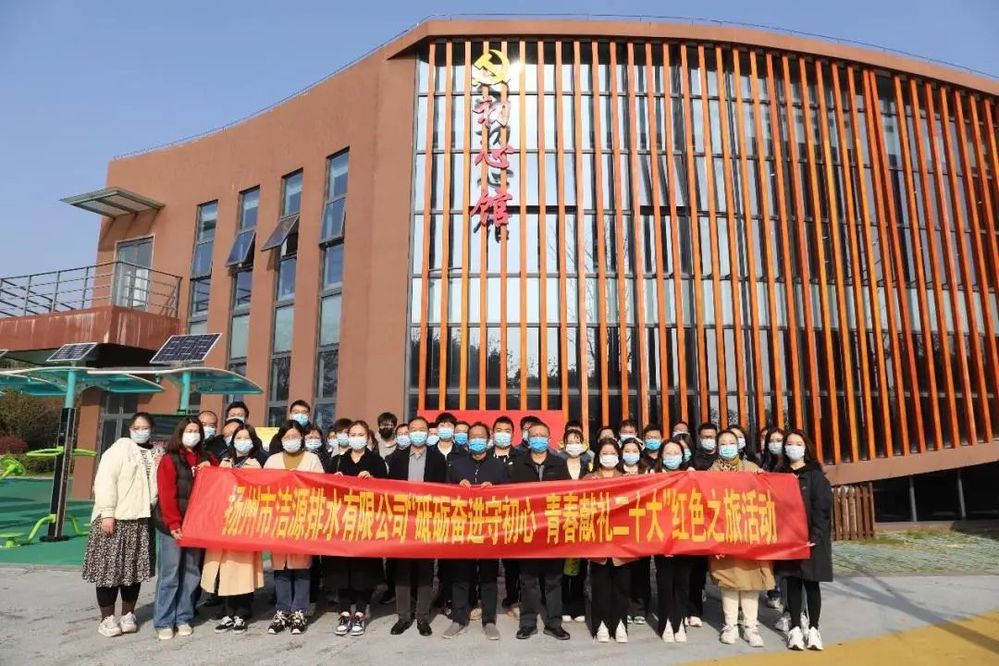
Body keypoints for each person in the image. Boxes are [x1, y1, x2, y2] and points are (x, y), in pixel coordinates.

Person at [83, 413, 158, 638]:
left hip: (140, 520)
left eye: (145, 427)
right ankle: (107, 618)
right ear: (130, 429)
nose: (141, 431)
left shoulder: (154, 453)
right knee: (109, 571)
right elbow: (105, 481)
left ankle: (128, 614)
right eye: (137, 427)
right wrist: (108, 513)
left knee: (133, 571)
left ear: (152, 429)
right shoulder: (118, 450)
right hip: (116, 519)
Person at [443, 421, 509, 640]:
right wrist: (457, 488)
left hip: (489, 530)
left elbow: (509, 497)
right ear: (467, 441)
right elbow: (444, 495)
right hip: (463, 529)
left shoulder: (499, 467)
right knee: (461, 576)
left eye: (481, 436)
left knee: (488, 577)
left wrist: (494, 491)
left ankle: (489, 621)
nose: (477, 440)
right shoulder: (456, 465)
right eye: (473, 437)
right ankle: (458, 619)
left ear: (488, 440)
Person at [709, 429, 773, 648]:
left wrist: (763, 479)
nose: (727, 447)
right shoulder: (711, 472)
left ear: (738, 446)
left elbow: (767, 496)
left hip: (749, 533)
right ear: (717, 447)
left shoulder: (751, 468)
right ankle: (730, 625)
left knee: (750, 583)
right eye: (723, 443)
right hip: (724, 534)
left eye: (731, 443)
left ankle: (751, 626)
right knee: (728, 582)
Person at [153, 417, 215, 640]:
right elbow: (166, 494)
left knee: (191, 573)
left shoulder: (207, 458)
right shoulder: (170, 459)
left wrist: (212, 468)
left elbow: (221, 481)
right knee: (170, 574)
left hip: (197, 525)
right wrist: (173, 523)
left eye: (196, 431)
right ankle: (164, 620)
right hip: (174, 525)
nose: (193, 434)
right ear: (180, 434)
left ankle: (184, 617)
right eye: (189, 430)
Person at [201, 424, 265, 634]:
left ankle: (242, 613)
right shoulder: (225, 462)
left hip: (246, 522)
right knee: (226, 568)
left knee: (242, 569)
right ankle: (228, 612)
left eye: (247, 438)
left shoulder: (256, 465)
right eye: (239, 438)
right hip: (225, 522)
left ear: (253, 442)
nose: (242, 442)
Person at [510, 421, 571, 640]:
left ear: (549, 438)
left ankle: (554, 623)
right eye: (533, 435)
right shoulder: (518, 464)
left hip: (553, 530)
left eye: (541, 435)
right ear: (527, 438)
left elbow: (569, 494)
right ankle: (528, 622)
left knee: (554, 579)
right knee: (528, 580)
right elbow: (509, 495)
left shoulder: (559, 463)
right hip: (528, 531)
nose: (537, 438)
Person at [263, 421, 325, 635]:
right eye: (287, 437)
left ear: (302, 438)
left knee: (301, 568)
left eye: (295, 436)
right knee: (280, 568)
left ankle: (299, 611)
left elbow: (320, 488)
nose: (291, 440)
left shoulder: (312, 459)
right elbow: (263, 488)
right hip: (278, 520)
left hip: (303, 520)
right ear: (281, 440)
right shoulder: (272, 460)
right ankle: (282, 611)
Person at [387, 416, 447, 637]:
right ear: (407, 432)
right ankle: (403, 616)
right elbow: (389, 489)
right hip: (403, 521)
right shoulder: (398, 458)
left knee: (425, 570)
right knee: (402, 570)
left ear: (428, 432)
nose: (418, 433)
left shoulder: (437, 458)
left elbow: (443, 489)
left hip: (427, 521)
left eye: (422, 429)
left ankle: (422, 616)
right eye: (414, 429)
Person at [331, 420, 388, 637]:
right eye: (352, 434)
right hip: (341, 523)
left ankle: (361, 611)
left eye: (360, 434)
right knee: (341, 568)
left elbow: (386, 492)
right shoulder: (337, 461)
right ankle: (345, 611)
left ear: (368, 437)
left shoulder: (376, 461)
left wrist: (373, 480)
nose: (356, 438)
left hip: (366, 523)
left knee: (363, 569)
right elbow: (324, 491)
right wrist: (333, 481)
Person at [778, 429, 832, 652]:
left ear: (806, 448)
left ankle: (814, 628)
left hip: (811, 539)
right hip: (788, 538)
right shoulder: (779, 474)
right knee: (792, 581)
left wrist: (815, 535)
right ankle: (795, 627)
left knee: (812, 583)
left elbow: (822, 508)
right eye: (789, 443)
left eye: (798, 443)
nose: (793, 447)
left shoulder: (815, 476)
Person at [585, 438, 633, 643]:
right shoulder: (589, 478)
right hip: (598, 541)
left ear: (618, 456)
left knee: (622, 585)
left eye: (612, 453)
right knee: (600, 586)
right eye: (605, 453)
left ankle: (620, 624)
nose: (609, 457)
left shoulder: (626, 479)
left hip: (622, 541)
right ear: (598, 456)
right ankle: (601, 624)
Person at [655, 438, 692, 643]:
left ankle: (680, 622)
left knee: (682, 582)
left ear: (683, 456)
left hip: (686, 537)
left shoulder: (690, 475)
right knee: (665, 581)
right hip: (662, 537)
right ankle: (666, 622)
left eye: (675, 453)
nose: (671, 457)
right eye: (667, 453)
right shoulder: (653, 476)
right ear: (661, 456)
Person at [686, 422, 718, 628]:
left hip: (721, 518)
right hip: (698, 518)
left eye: (711, 436)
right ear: (699, 438)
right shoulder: (692, 459)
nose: (708, 440)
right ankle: (694, 610)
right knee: (696, 568)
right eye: (705, 437)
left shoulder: (724, 460)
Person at [491, 415, 521, 615]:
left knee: (512, 564)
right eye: (499, 430)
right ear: (492, 433)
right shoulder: (483, 456)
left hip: (512, 517)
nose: (503, 434)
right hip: (487, 517)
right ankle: (482, 601)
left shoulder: (521, 458)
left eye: (507, 431)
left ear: (513, 434)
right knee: (486, 563)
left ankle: (513, 599)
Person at [560, 426, 590, 625]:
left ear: (583, 444)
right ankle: (564, 605)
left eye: (576, 441)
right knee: (561, 568)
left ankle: (578, 606)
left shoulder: (588, 466)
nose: (573, 445)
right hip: (562, 522)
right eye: (570, 441)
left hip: (583, 520)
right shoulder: (557, 465)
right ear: (563, 444)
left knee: (581, 567)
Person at [760, 427, 787, 614]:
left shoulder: (790, 465)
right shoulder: (765, 464)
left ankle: (790, 609)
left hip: (786, 521)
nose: (775, 444)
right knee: (771, 561)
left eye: (779, 440)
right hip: (768, 519)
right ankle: (773, 591)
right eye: (772, 441)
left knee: (786, 566)